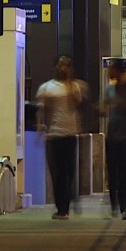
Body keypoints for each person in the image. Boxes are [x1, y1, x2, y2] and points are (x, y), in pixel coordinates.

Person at [36, 55, 87, 219]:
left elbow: (78, 102)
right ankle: (62, 208)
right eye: (60, 65)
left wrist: (70, 82)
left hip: (70, 134)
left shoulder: (73, 87)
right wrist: (40, 124)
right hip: (54, 135)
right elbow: (40, 109)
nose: (62, 68)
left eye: (66, 66)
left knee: (69, 171)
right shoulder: (46, 87)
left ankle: (70, 200)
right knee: (57, 173)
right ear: (55, 67)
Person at [101, 59, 126, 219]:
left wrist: (115, 104)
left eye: (111, 69)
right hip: (112, 136)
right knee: (112, 172)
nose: (109, 72)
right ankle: (114, 205)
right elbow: (104, 108)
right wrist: (101, 109)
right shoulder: (109, 89)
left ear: (119, 70)